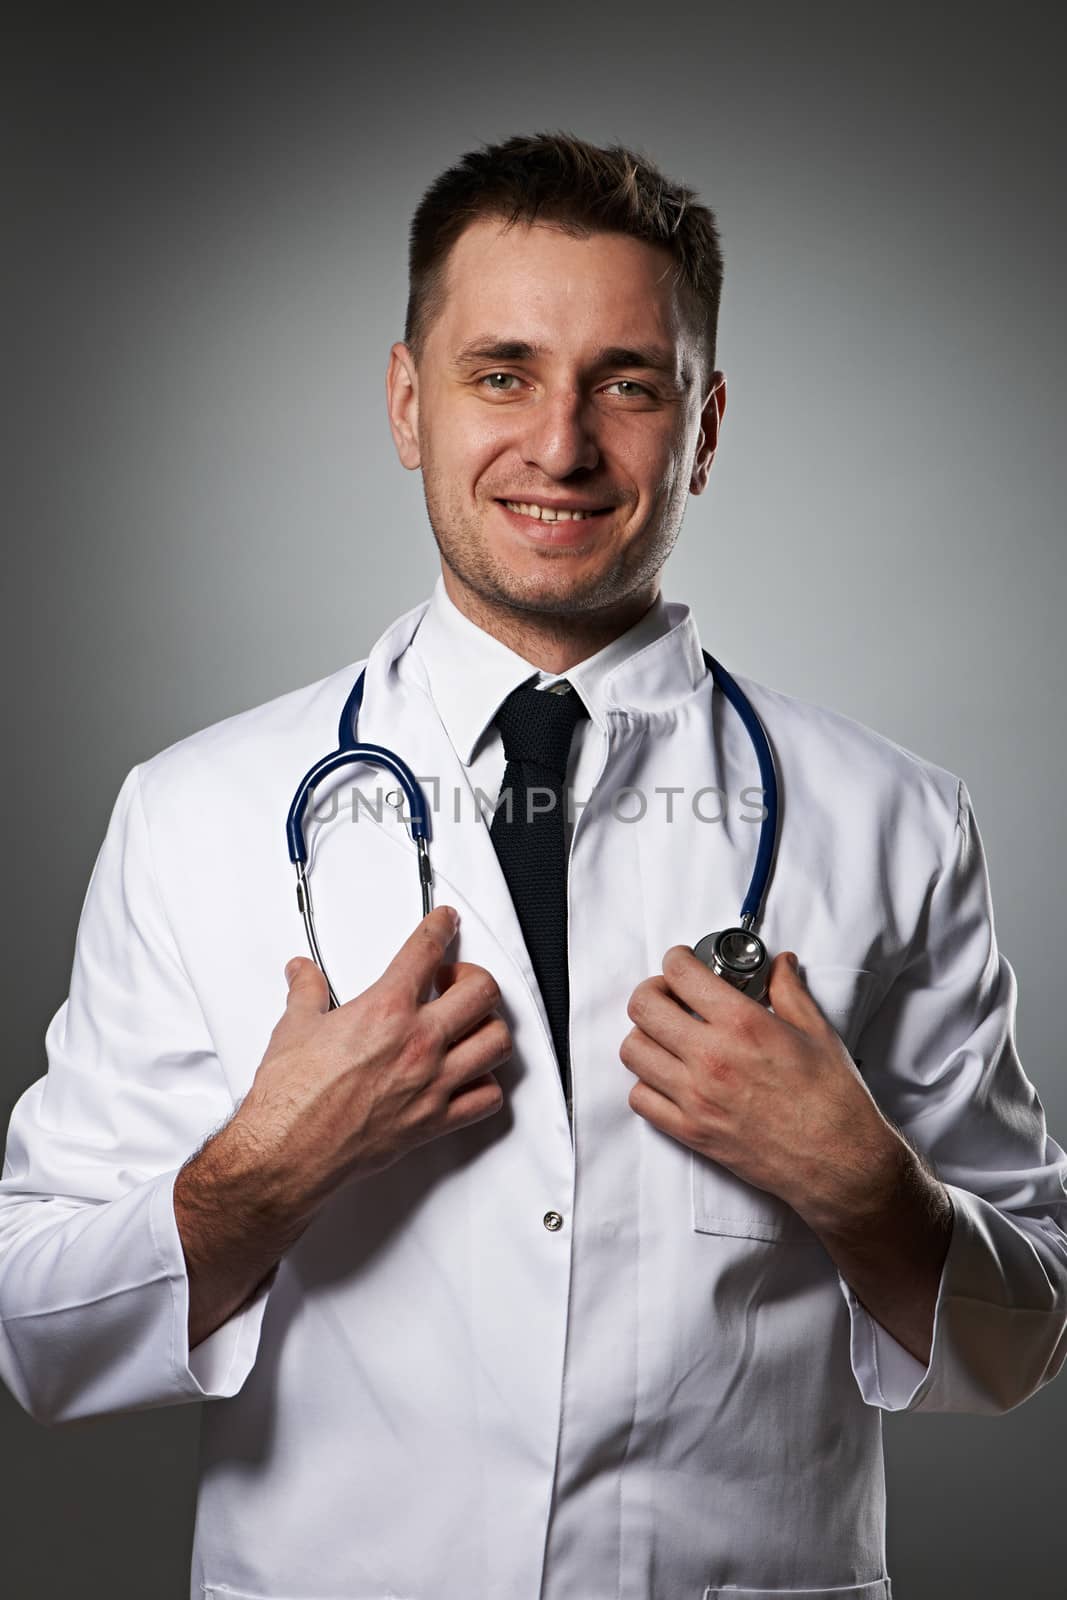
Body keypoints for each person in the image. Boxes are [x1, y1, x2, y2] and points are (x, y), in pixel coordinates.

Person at [1, 132, 1065, 1600]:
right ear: (405, 403)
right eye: (500, 372)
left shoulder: (897, 820)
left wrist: (868, 1187)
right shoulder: (194, 812)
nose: (559, 444)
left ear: (702, 428)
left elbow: (1027, 1341)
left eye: (628, 383)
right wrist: (263, 1173)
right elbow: (35, 1338)